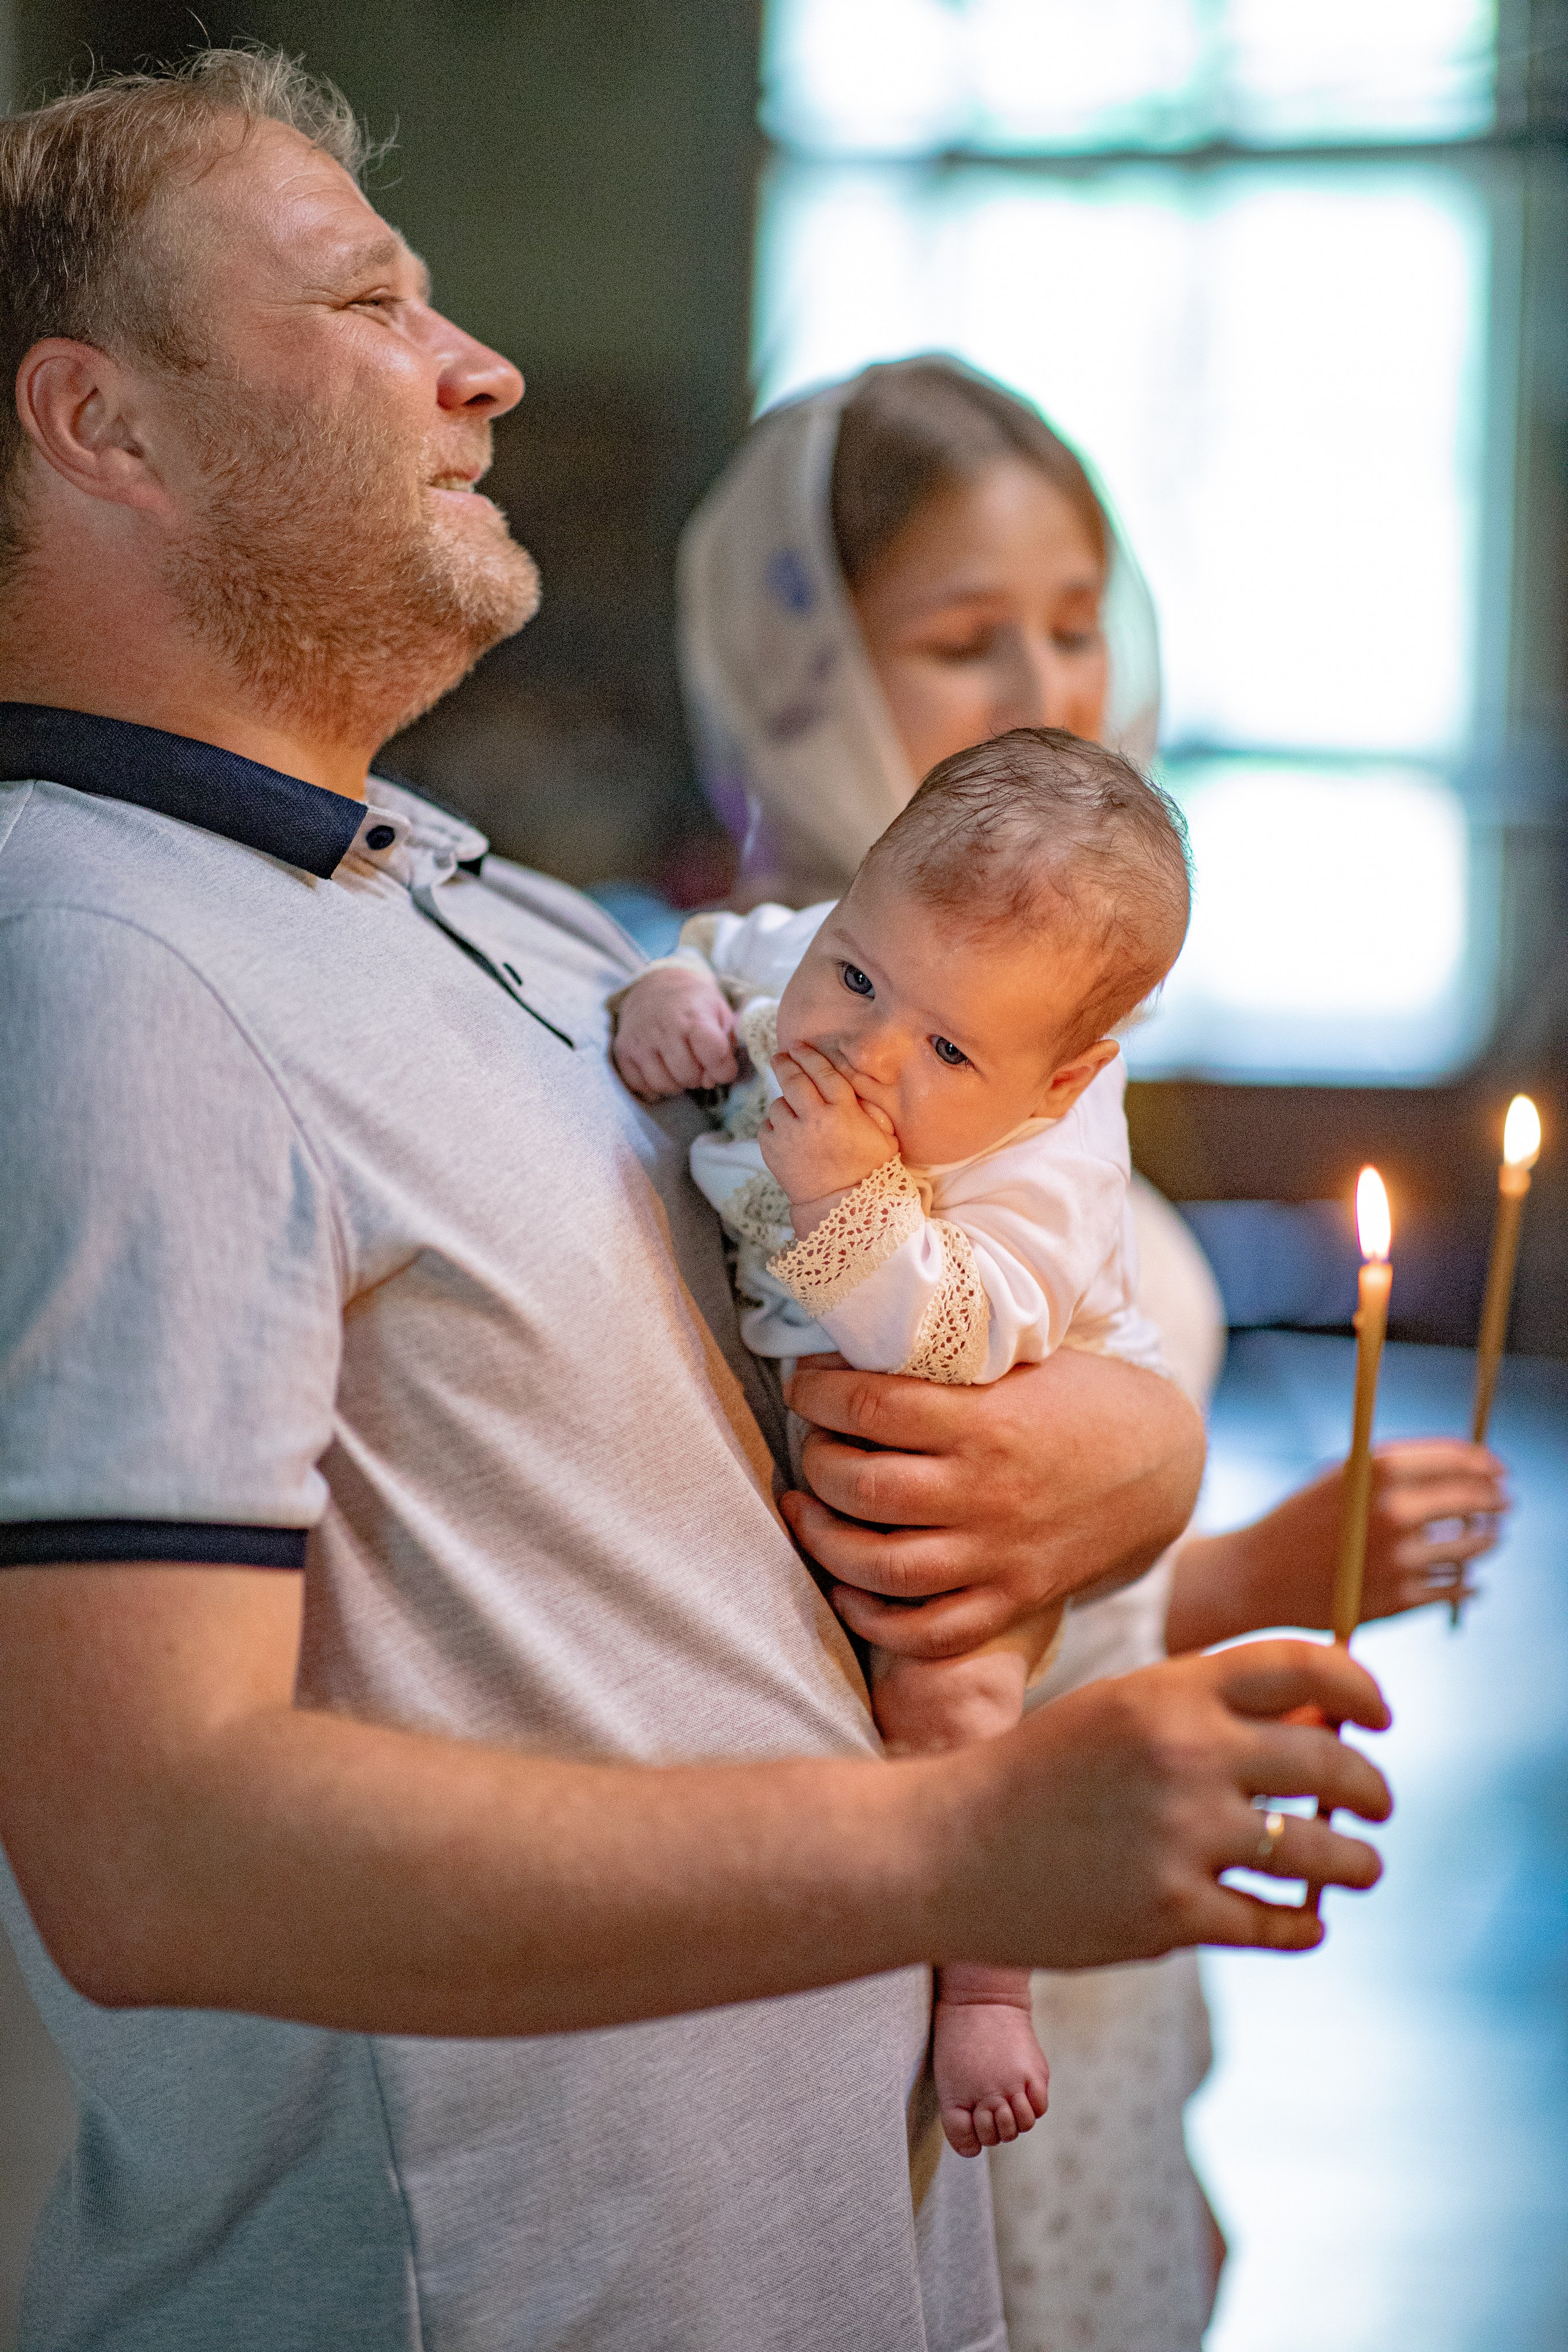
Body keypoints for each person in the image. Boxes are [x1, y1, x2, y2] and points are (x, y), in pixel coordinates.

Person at [0, 53, 1396, 2352]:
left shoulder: (502, 908)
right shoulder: (109, 965)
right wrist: (966, 1849)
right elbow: (151, 1846)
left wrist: (1118, 1459)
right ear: (106, 428)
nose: (485, 366)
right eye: (366, 302)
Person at [677, 356, 1510, 2348]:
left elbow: (1066, 1626)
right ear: (795, 669)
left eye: (1079, 617)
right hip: (873, 1963)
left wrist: (1280, 1569)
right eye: (966, 638)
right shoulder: (748, 1066)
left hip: (1085, 1956)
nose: (1048, 681)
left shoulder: (1062, 1114)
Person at [615, 726, 1189, 2158]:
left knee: (947, 1701)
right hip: (813, 1463)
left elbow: (957, 1338)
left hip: (981, 1460)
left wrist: (848, 1202)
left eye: (943, 1049)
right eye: (854, 976)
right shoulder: (834, 953)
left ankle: (988, 1979)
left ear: (1059, 1081)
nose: (864, 1049)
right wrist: (666, 990)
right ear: (855, 897)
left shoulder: (1047, 1168)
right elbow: (717, 947)